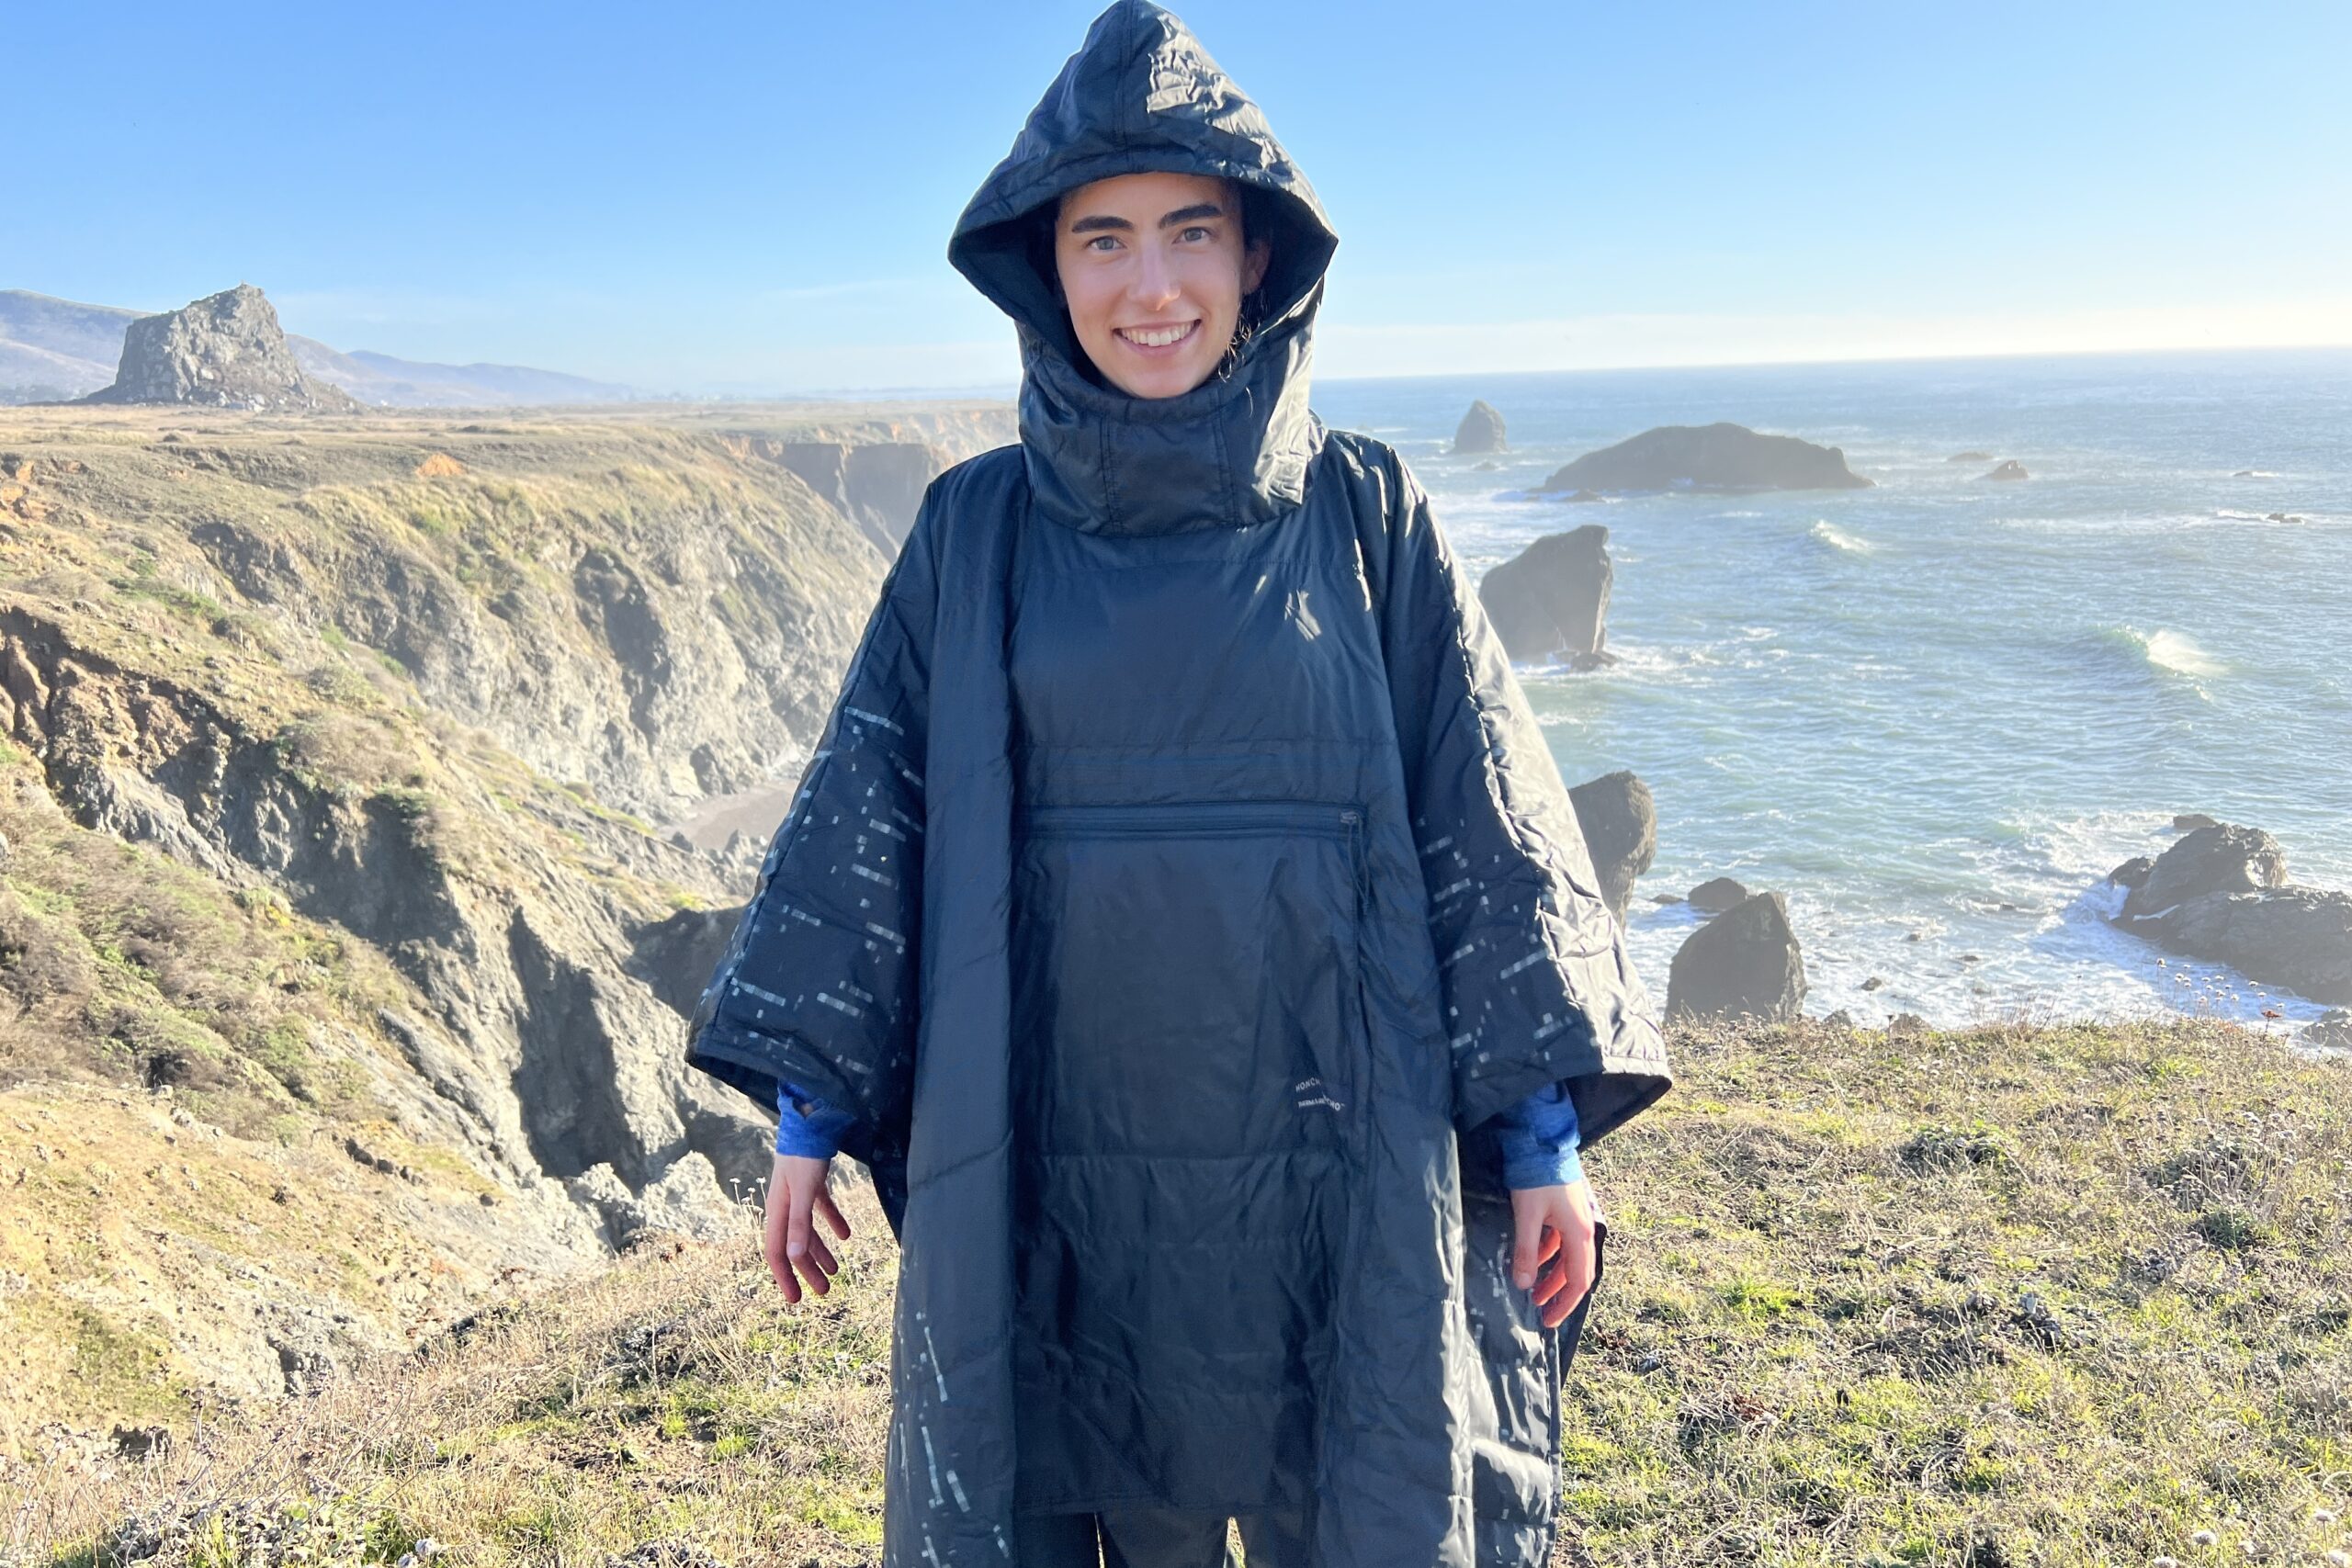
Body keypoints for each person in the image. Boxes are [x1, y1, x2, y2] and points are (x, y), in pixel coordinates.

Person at [684, 4, 1674, 1564]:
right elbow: (880, 818)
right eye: (1104, 241)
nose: (1152, 287)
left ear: (1259, 259)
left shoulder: (1368, 518)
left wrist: (1543, 1146)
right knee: (1080, 1469)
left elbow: (1483, 822)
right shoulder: (976, 534)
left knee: (1347, 1482)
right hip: (1057, 1164)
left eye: (1191, 233)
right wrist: (808, 1115)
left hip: (1339, 1170)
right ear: (1045, 267)